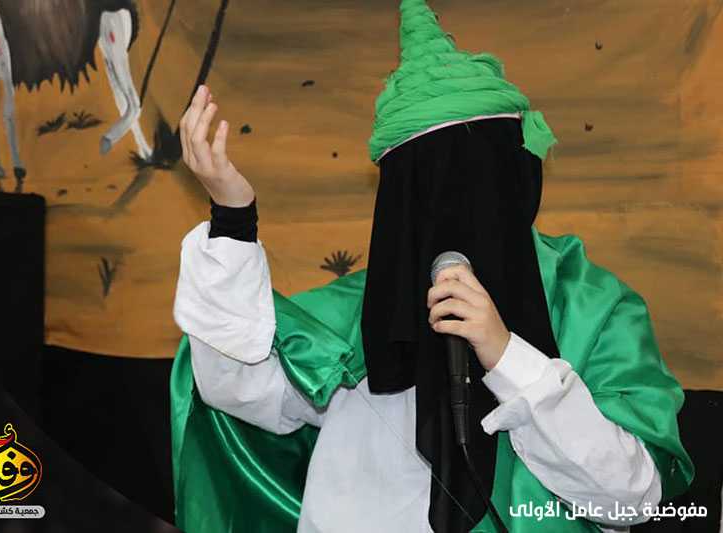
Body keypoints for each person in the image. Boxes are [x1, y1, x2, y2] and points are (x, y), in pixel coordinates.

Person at [169, 1, 693, 532]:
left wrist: (508, 356)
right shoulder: (358, 317)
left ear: (518, 180)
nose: (451, 210)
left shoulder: (593, 310)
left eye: (474, 181)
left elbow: (632, 496)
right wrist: (233, 217)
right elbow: (237, 386)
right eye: (423, 189)